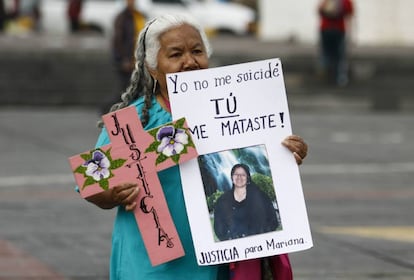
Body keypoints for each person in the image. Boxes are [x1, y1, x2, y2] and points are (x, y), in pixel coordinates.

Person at [87, 14, 308, 280]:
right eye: (176, 54)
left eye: (197, 51)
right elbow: (93, 184)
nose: (189, 62)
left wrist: (282, 155)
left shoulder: (235, 111)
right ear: (152, 67)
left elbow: (254, 168)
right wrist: (112, 194)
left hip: (219, 263)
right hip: (152, 263)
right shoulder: (133, 123)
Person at [101, 0, 146, 114]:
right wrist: (123, 59)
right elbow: (118, 41)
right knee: (125, 90)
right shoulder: (122, 18)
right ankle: (107, 109)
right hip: (125, 61)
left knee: (132, 89)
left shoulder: (138, 16)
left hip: (136, 60)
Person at [214, 163, 279, 241]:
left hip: (259, 245)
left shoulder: (261, 197)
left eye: (243, 175)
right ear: (231, 177)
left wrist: (262, 237)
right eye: (236, 174)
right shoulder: (222, 201)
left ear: (248, 177)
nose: (239, 177)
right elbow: (219, 227)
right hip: (234, 247)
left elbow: (273, 221)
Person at [317, 0, 354, 87]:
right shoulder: (346, 1)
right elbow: (350, 14)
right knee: (340, 54)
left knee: (326, 53)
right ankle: (340, 78)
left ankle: (325, 76)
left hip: (325, 29)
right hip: (339, 29)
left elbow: (319, 10)